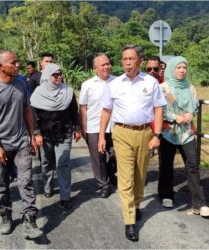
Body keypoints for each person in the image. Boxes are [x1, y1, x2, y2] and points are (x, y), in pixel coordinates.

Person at [98, 45, 166, 241]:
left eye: (131, 59)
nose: (127, 63)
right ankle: (129, 222)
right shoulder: (114, 84)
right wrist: (102, 136)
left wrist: (157, 135)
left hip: (145, 133)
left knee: (140, 175)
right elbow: (106, 111)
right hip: (121, 133)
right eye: (124, 59)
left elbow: (159, 109)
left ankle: (136, 204)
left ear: (140, 61)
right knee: (126, 177)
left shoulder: (151, 82)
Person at [0, 50, 43, 239]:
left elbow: (27, 110)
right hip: (0, 145)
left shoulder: (21, 84)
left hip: (22, 143)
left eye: (18, 61)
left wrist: (32, 136)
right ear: (1, 66)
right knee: (1, 184)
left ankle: (30, 221)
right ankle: (6, 216)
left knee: (26, 181)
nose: (17, 65)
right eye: (13, 62)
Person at [157, 56, 209, 217]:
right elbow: (159, 110)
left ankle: (199, 203)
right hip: (168, 132)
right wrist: (174, 117)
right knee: (166, 164)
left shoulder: (190, 87)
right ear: (172, 69)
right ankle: (166, 195)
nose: (182, 70)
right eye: (178, 67)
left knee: (193, 165)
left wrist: (190, 115)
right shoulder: (163, 87)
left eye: (184, 68)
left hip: (186, 133)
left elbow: (194, 107)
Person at [31, 63, 81, 210]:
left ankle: (65, 196)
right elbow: (34, 116)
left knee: (63, 164)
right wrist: (37, 133)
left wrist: (77, 128)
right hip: (45, 134)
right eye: (55, 75)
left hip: (64, 131)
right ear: (47, 76)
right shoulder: (38, 93)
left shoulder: (68, 92)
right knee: (46, 163)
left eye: (60, 74)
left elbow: (73, 111)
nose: (59, 77)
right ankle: (47, 187)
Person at [79, 53, 117, 198]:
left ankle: (109, 172)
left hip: (115, 126)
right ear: (95, 68)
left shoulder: (118, 82)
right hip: (94, 126)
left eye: (108, 63)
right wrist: (84, 127)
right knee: (98, 158)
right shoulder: (87, 85)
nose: (107, 67)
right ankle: (104, 185)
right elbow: (83, 107)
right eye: (103, 65)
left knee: (117, 154)